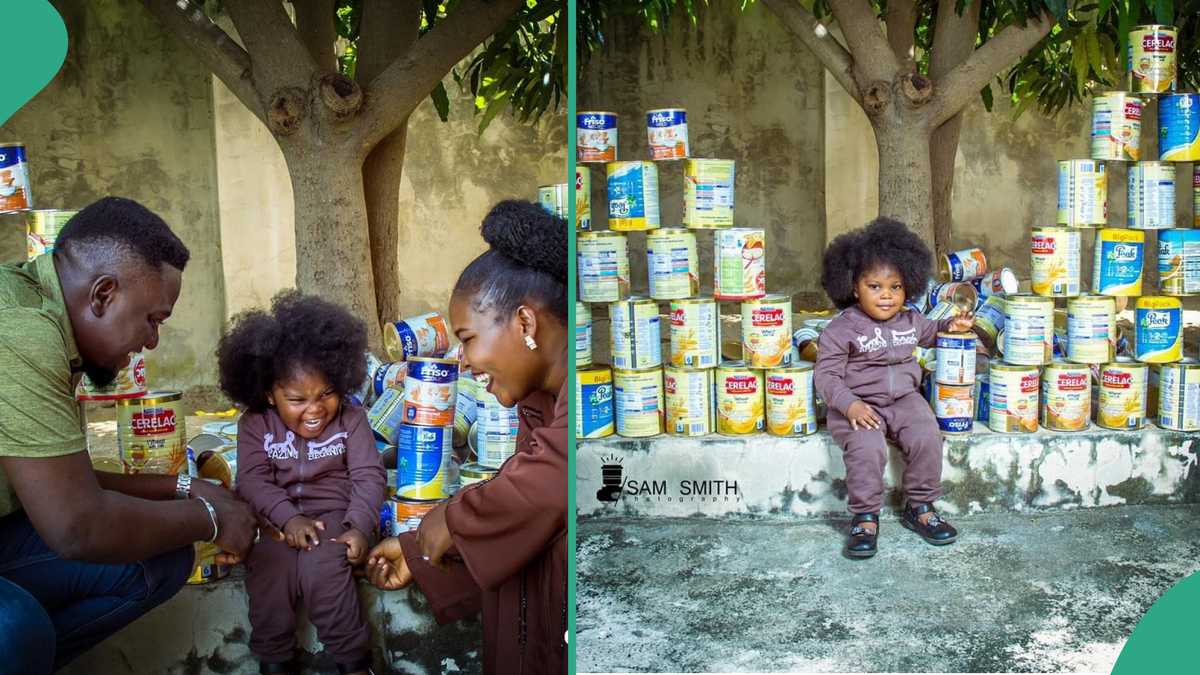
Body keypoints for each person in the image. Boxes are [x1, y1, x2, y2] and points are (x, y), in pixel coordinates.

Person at [0, 196, 258, 673]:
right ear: (103, 295)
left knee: (155, 561)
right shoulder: (20, 332)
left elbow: (63, 481)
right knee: (17, 628)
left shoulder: (45, 312)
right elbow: (77, 526)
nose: (152, 342)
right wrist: (212, 521)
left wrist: (184, 488)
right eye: (153, 320)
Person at [365, 200, 568, 674]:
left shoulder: (591, 401)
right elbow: (524, 530)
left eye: (469, 338)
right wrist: (419, 554)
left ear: (525, 323)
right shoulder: (538, 403)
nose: (464, 360)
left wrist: (447, 524)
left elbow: (542, 491)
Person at [217, 290, 386, 675]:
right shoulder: (255, 424)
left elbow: (369, 476)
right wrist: (287, 519)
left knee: (324, 571)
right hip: (273, 524)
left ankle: (354, 662)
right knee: (270, 571)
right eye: (297, 399)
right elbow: (253, 480)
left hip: (335, 520)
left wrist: (359, 526)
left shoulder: (352, 420)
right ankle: (275, 661)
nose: (315, 409)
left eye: (326, 393)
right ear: (269, 394)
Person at [814, 217, 979, 559]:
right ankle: (865, 516)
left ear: (909, 287)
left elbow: (933, 331)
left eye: (896, 287)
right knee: (867, 448)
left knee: (926, 435)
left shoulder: (910, 320)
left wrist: (954, 325)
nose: (887, 296)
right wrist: (849, 406)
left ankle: (920, 506)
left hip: (904, 399)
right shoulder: (841, 328)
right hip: (858, 405)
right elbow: (827, 376)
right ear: (853, 287)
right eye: (874, 286)